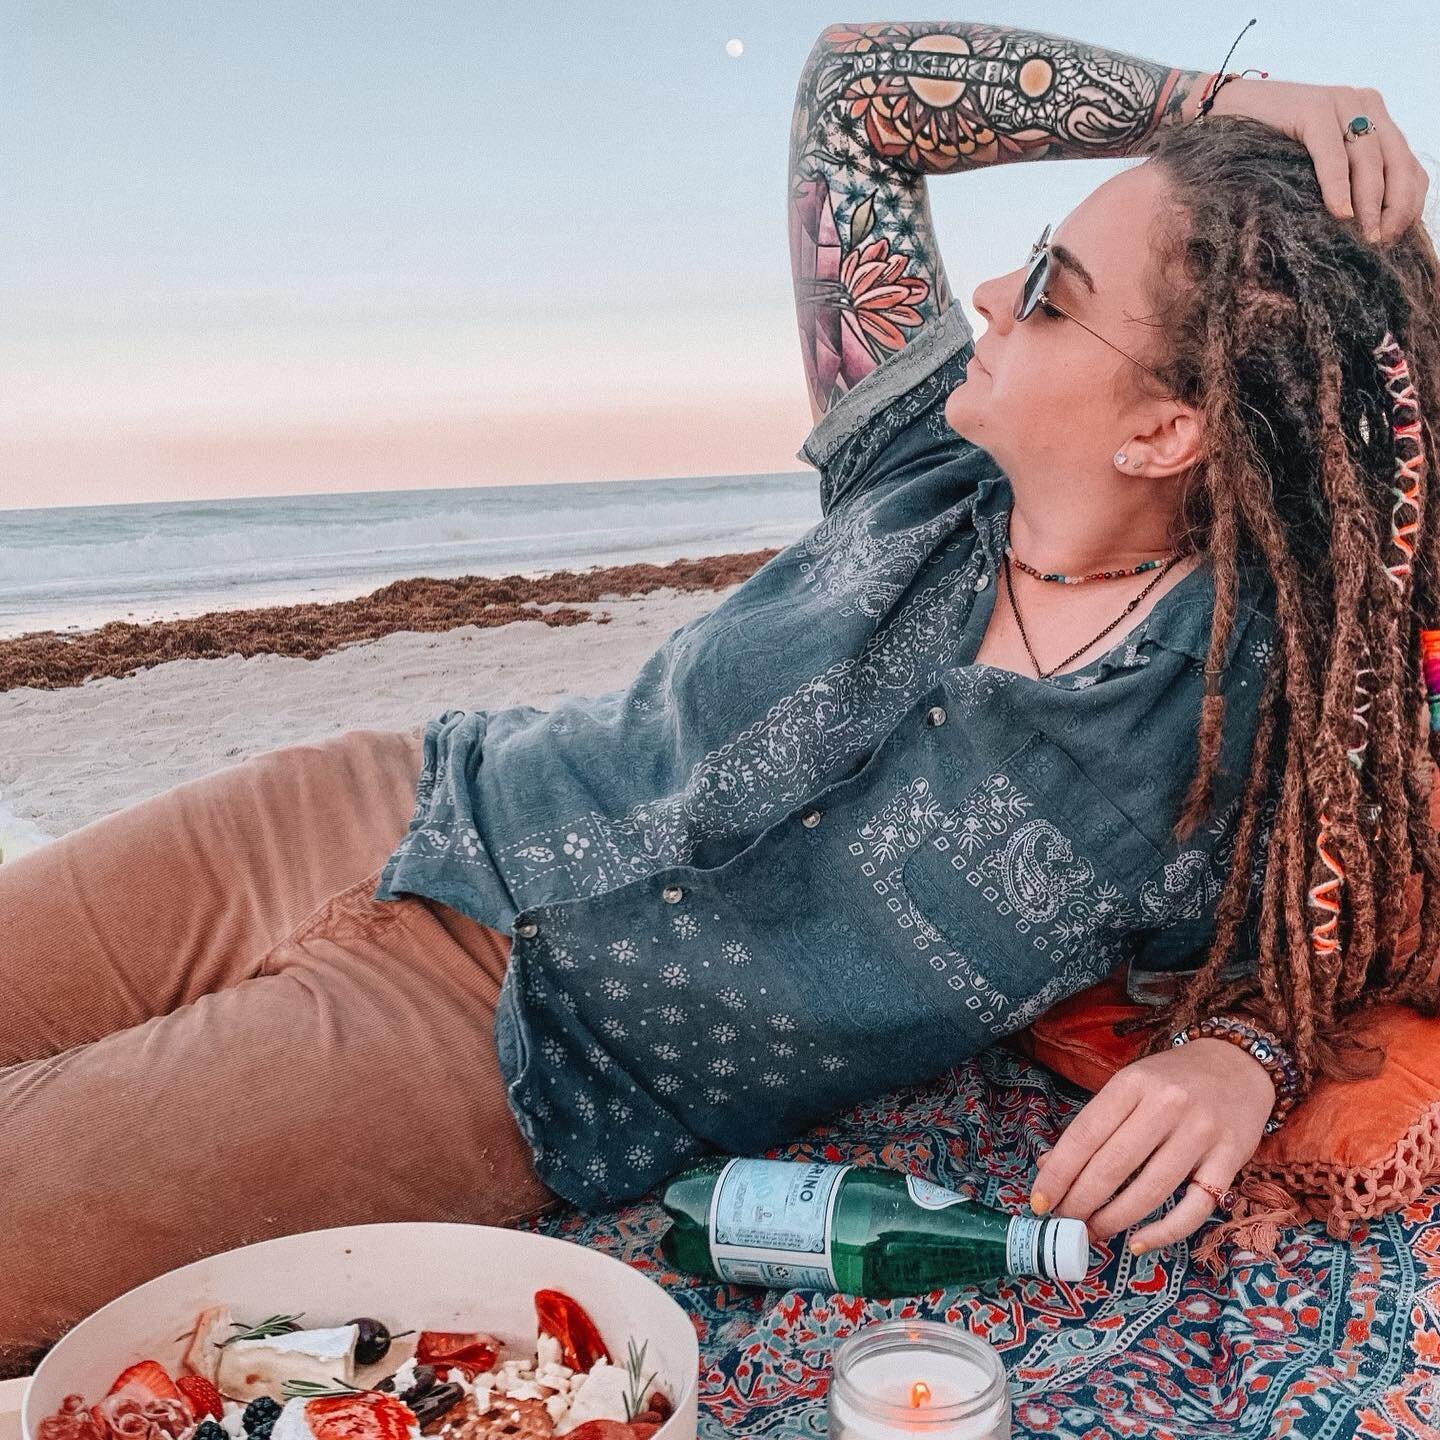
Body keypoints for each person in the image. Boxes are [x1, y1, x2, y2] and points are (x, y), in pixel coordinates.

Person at [1, 18, 1434, 1377]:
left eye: (1053, 289)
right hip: (379, 800)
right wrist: (1215, 106)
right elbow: (857, 97)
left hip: (497, 1054)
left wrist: (1245, 1056)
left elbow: (1364, 914)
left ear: (1166, 427)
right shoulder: (919, 462)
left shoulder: (1251, 720)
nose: (995, 293)